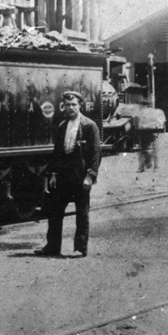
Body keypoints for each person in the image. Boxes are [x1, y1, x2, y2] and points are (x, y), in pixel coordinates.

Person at [35, 91, 101, 258]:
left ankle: (80, 248)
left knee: (82, 213)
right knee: (55, 212)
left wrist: (90, 176)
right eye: (68, 105)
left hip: (80, 176)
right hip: (63, 176)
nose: (71, 108)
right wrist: (54, 173)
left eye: (74, 105)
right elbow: (57, 152)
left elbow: (95, 154)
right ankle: (52, 247)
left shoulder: (89, 126)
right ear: (64, 106)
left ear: (80, 105)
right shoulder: (62, 126)